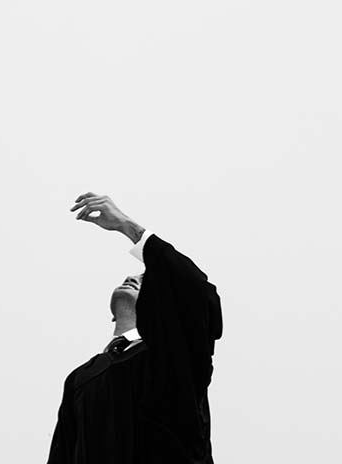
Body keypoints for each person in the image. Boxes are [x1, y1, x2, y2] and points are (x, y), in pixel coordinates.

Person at [46, 193, 222, 463]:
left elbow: (196, 292)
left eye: (145, 280)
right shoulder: (81, 379)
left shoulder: (175, 357)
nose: (131, 277)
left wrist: (127, 227)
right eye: (134, 276)